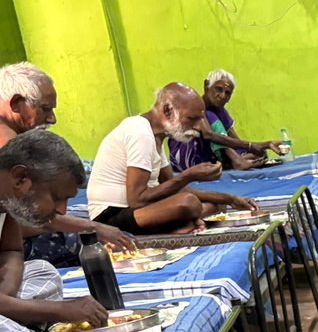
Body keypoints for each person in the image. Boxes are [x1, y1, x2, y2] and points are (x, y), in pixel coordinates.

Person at [0, 61, 135, 257]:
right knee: (97, 244)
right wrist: (93, 227)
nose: (52, 119)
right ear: (16, 104)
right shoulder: (7, 145)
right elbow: (26, 219)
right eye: (45, 109)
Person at [0, 129, 113, 332]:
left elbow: (11, 251)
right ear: (20, 178)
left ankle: (19, 321)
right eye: (57, 197)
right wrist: (60, 310)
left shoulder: (8, 199)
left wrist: (6, 298)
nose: (62, 210)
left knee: (44, 271)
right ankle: (22, 330)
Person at [86, 83, 257, 234]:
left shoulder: (156, 137)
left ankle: (184, 223)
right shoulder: (140, 133)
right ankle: (183, 223)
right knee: (189, 203)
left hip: (139, 210)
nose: (198, 127)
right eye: (191, 119)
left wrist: (230, 199)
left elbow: (174, 186)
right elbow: (136, 199)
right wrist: (188, 176)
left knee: (218, 204)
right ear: (168, 111)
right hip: (112, 217)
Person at [168, 69, 289, 173]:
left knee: (259, 153)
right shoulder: (196, 105)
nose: (222, 96)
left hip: (207, 160)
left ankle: (237, 160)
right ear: (206, 86)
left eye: (227, 93)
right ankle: (237, 161)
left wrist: (266, 145)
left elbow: (235, 140)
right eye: (218, 89)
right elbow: (209, 134)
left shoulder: (220, 111)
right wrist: (249, 146)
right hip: (186, 160)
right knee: (210, 117)